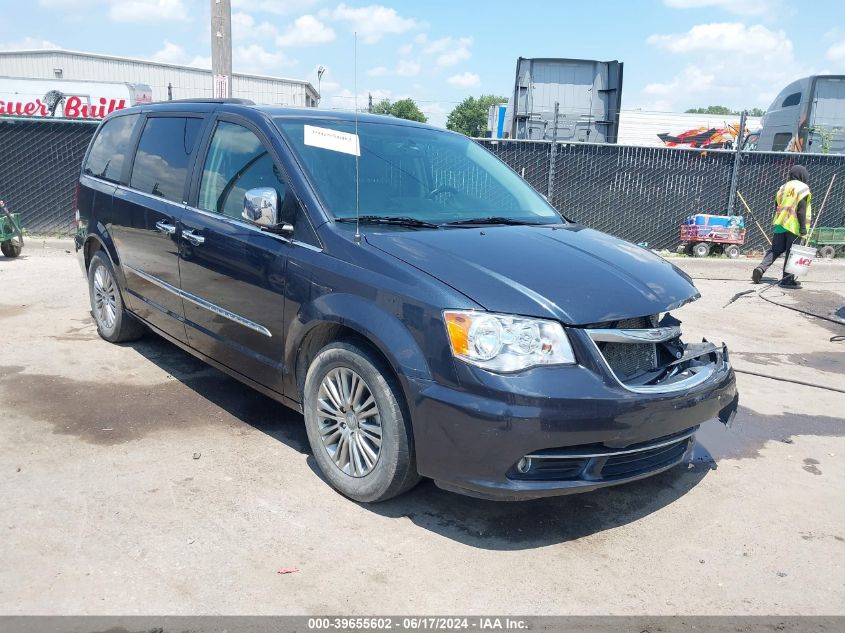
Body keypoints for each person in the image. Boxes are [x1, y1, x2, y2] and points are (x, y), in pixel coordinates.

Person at [751, 165, 812, 288]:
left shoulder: (783, 187)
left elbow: (776, 205)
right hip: (794, 226)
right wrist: (802, 227)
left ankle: (760, 269)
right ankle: (787, 280)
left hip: (780, 224)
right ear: (802, 175)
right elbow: (801, 209)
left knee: (775, 250)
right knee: (792, 253)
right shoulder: (803, 188)